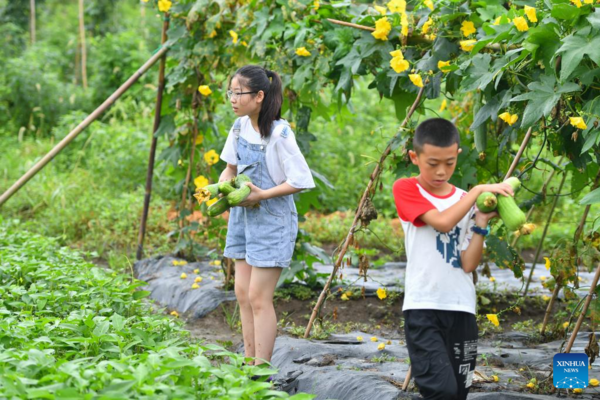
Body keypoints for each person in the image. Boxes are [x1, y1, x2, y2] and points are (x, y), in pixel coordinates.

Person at [392, 118, 513, 399]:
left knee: (458, 393)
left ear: (457, 154)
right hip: (423, 308)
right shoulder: (407, 189)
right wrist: (477, 192)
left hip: (462, 309)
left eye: (449, 162)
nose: (441, 171)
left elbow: (468, 264)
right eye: (432, 163)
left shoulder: (464, 200)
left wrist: (481, 221)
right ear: (415, 157)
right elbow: (443, 223)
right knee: (441, 391)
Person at [218, 65, 315, 368]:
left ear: (259, 96)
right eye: (230, 92)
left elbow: (299, 179)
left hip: (272, 219)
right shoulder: (239, 128)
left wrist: (261, 195)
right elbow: (230, 169)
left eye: (239, 93)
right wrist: (222, 190)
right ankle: (249, 363)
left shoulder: (280, 134)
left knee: (259, 296)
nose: (233, 98)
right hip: (243, 217)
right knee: (243, 293)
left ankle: (262, 370)